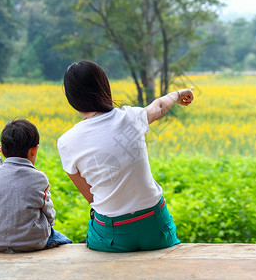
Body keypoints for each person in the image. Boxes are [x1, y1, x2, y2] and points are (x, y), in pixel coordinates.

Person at [57, 60, 194, 252]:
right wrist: (179, 94)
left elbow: (92, 198)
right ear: (104, 87)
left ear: (71, 97)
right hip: (155, 228)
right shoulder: (131, 117)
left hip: (113, 234)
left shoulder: (66, 142)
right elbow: (159, 107)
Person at [0, 119, 72, 253]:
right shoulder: (39, 178)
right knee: (62, 239)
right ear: (34, 150)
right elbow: (48, 211)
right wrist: (49, 224)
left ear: (3, 149)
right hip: (32, 242)